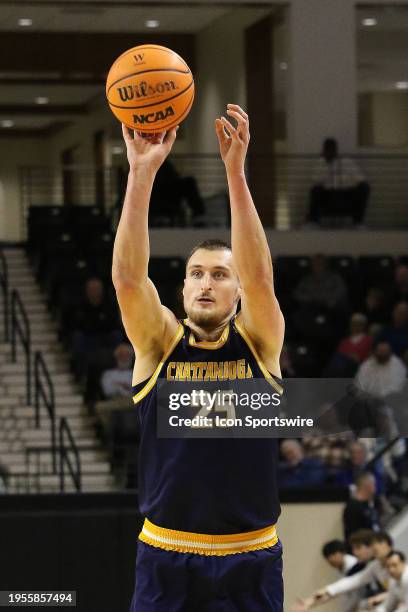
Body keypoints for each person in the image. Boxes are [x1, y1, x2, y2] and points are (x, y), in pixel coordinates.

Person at [113, 105, 285, 611]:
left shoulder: (259, 341)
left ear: (236, 292)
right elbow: (127, 280)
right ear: (182, 286)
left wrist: (235, 173)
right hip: (167, 555)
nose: (205, 282)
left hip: (250, 556)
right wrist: (141, 173)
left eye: (219, 274)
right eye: (195, 273)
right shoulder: (159, 343)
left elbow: (260, 280)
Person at [293, 531, 393, 610]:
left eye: (358, 548)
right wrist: (321, 593)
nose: (355, 552)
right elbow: (351, 581)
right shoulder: (373, 566)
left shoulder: (394, 561)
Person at [308, 138, 370, 226]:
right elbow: (315, 181)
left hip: (346, 194)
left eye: (331, 150)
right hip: (328, 194)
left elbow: (361, 179)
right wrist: (325, 166)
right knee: (315, 190)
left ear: (335, 150)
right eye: (327, 150)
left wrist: (350, 184)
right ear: (324, 150)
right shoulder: (320, 163)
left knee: (364, 187)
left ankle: (358, 223)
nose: (329, 152)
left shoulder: (347, 162)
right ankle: (313, 222)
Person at [321, 540, 359, 612]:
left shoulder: (354, 565)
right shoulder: (339, 568)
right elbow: (338, 591)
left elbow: (357, 595)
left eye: (333, 555)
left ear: (343, 552)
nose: (331, 559)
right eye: (328, 557)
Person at [343, 472, 382, 539]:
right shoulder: (352, 508)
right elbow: (354, 533)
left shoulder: (372, 503)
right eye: (374, 485)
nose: (375, 488)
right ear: (368, 486)